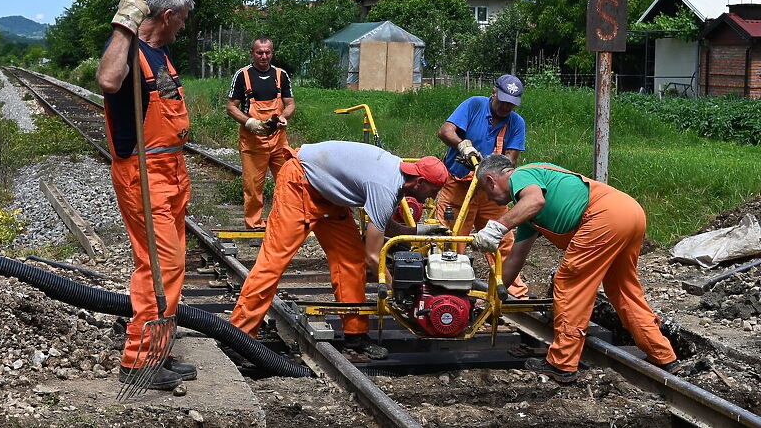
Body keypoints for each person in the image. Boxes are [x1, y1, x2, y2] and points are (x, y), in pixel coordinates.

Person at [230, 141, 450, 359]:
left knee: (351, 261)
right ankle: (239, 337)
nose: (433, 198)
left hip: (329, 196)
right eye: (434, 190)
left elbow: (383, 223)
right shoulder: (386, 186)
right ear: (420, 182)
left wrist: (419, 230)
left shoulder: (400, 178)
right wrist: (399, 291)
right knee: (272, 263)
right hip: (299, 182)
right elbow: (373, 257)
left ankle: (356, 336)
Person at [472, 154, 681, 383]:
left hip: (603, 216)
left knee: (569, 283)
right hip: (630, 213)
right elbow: (514, 260)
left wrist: (497, 227)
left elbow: (535, 201)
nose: (490, 199)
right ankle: (663, 356)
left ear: (491, 180)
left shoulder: (522, 176)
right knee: (622, 289)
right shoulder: (527, 215)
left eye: (485, 190)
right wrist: (490, 296)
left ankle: (562, 364)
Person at [97, 0, 197, 391]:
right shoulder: (129, 49)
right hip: (144, 173)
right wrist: (124, 25)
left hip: (170, 170)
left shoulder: (161, 52)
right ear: (168, 15)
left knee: (173, 267)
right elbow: (106, 80)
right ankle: (138, 362)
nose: (184, 28)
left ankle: (158, 349)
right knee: (158, 266)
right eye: (183, 19)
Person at [436, 74, 529, 298]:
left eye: (512, 104)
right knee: (451, 241)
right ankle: (447, 292)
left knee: (502, 242)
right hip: (459, 186)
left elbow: (511, 159)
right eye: (504, 100)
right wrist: (463, 146)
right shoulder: (474, 105)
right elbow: (445, 131)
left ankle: (514, 294)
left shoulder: (516, 123)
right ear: (494, 92)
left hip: (492, 192)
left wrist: (490, 168)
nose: (506, 107)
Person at [226, 38, 295, 232]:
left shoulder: (281, 75)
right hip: (253, 142)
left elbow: (290, 104)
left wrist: (283, 116)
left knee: (288, 181)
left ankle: (285, 221)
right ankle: (255, 224)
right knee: (253, 186)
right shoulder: (243, 75)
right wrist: (249, 122)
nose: (263, 56)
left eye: (267, 52)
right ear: (252, 53)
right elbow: (231, 107)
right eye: (259, 52)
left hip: (278, 141)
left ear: (272, 53)